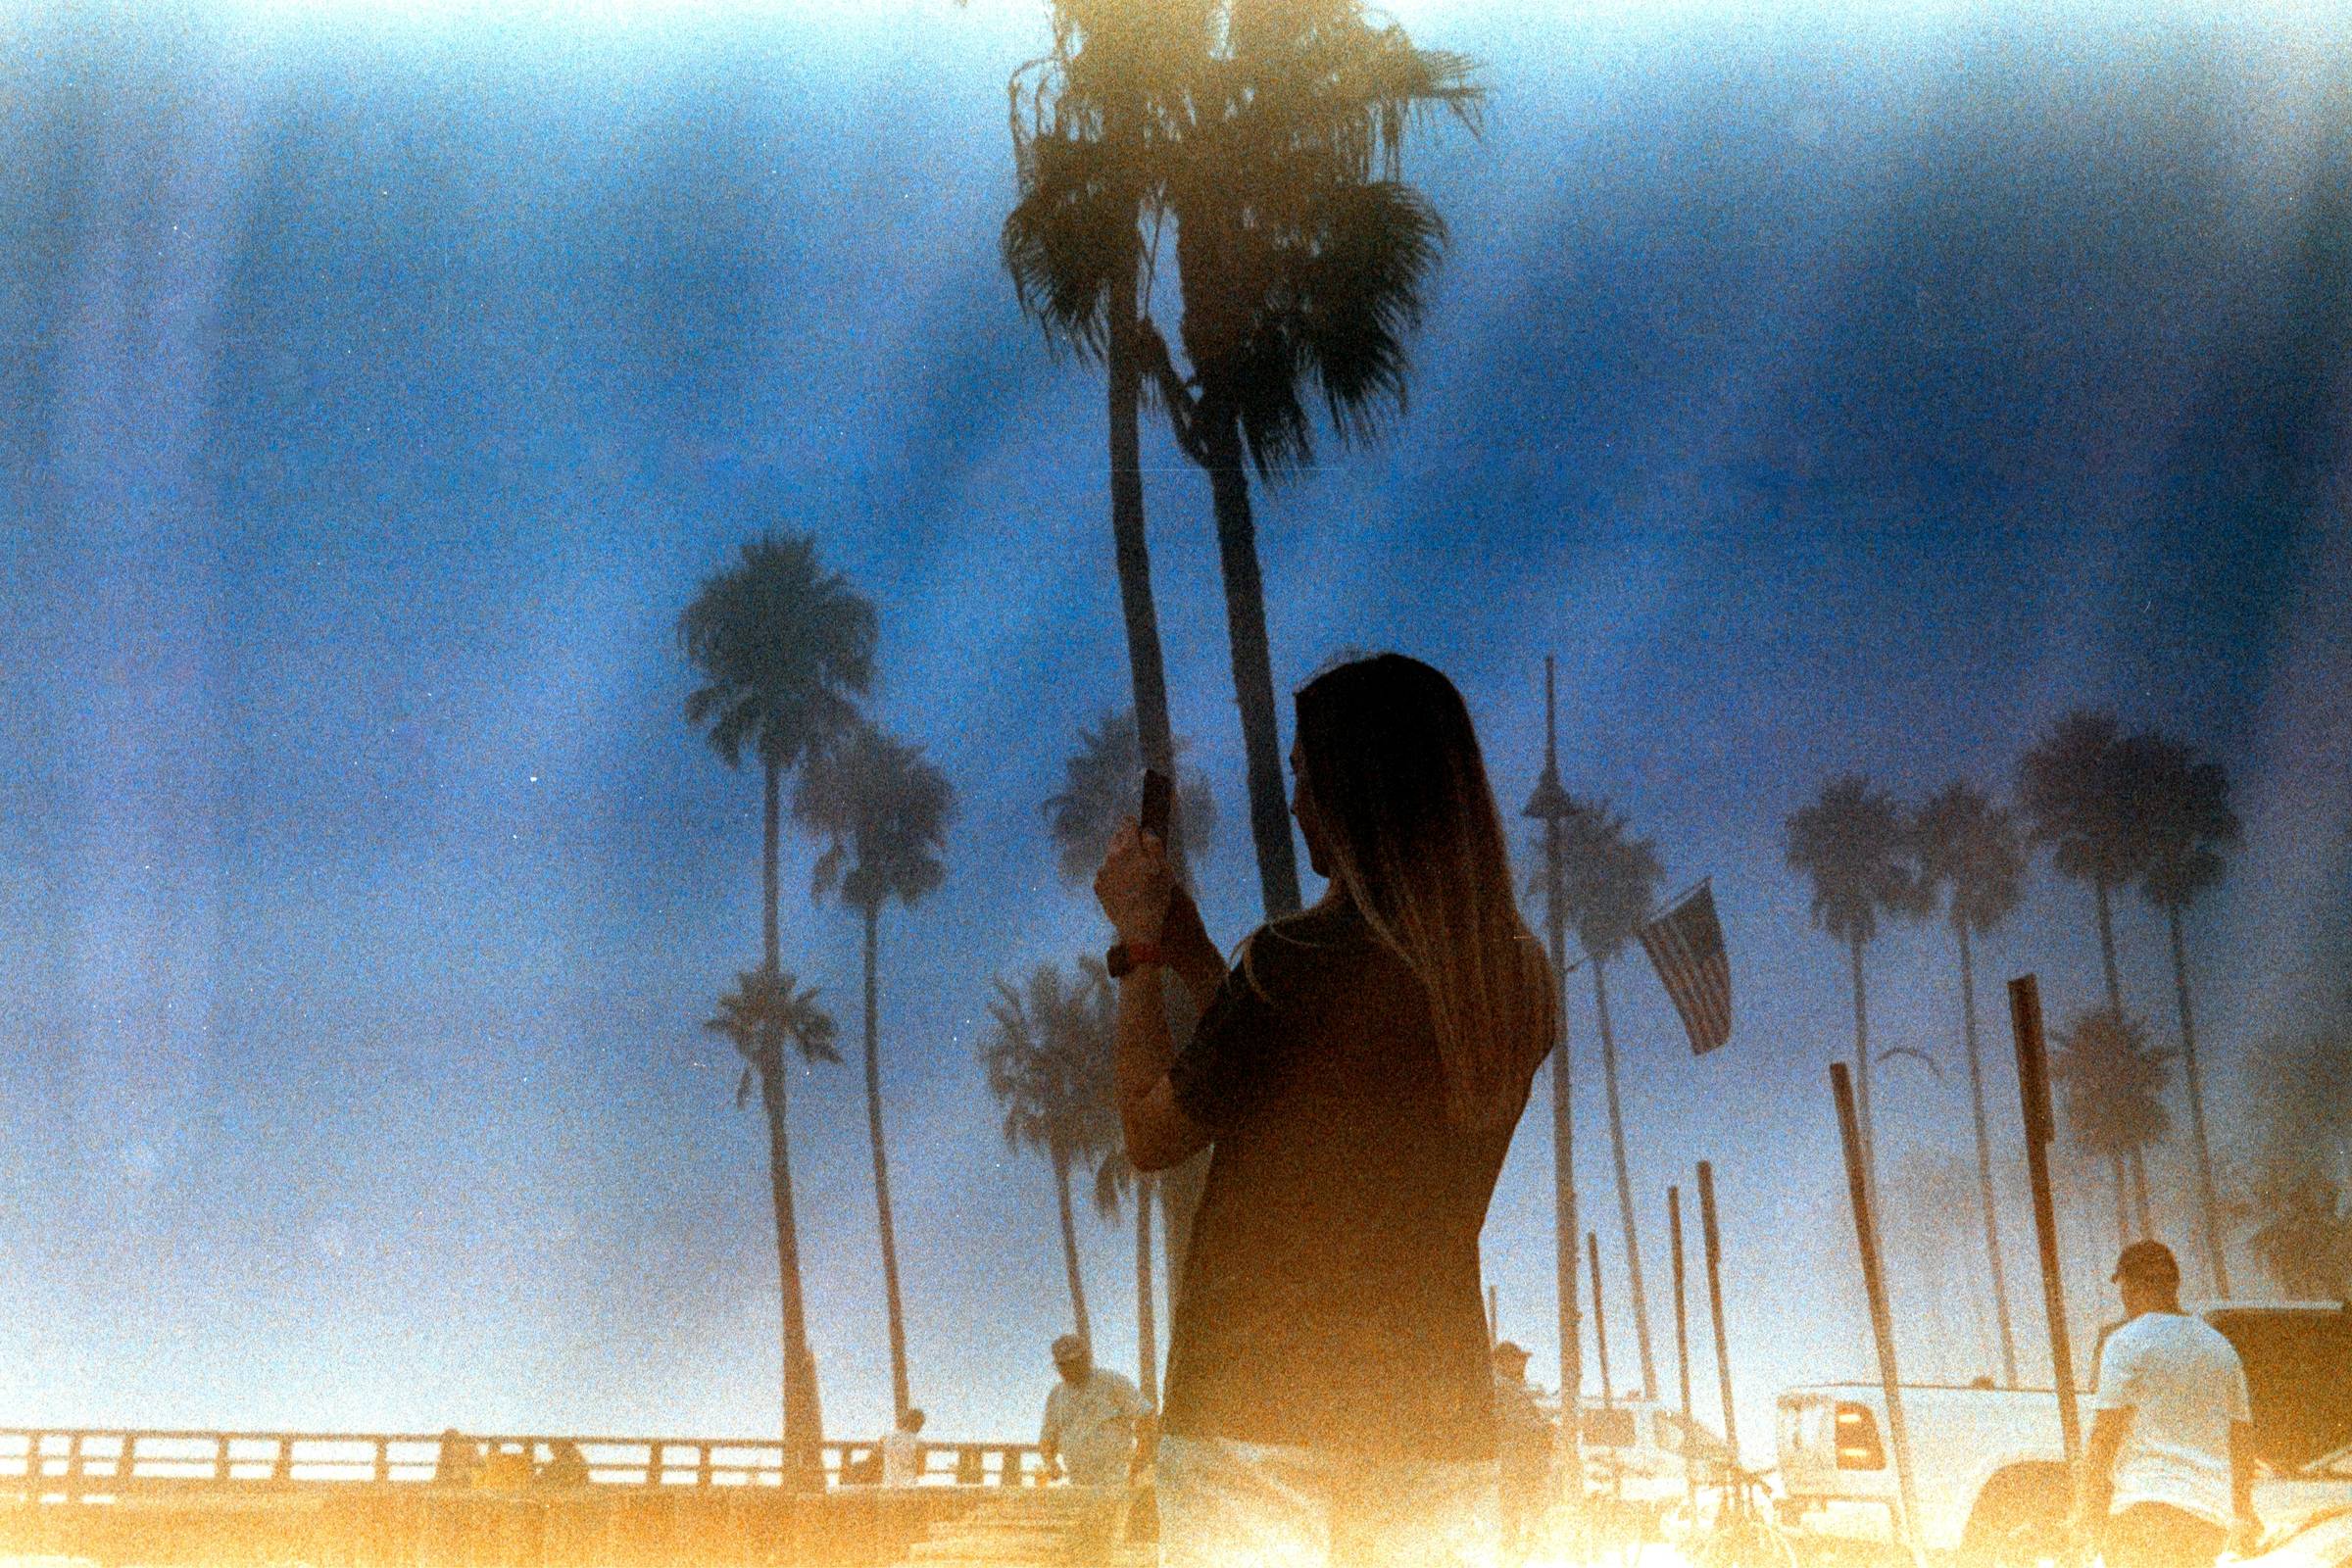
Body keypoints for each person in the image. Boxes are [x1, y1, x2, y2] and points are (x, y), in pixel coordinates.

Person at [1094, 653, 1556, 1568]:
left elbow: (1150, 1134)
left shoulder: (1296, 962)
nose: (1297, 802)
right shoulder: (1513, 976)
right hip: (1432, 1420)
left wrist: (1141, 952)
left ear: (1357, 794)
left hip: (1253, 1408)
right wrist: (1200, 967)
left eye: (1306, 777)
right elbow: (1327, 1090)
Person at [2070, 1240, 2258, 1568]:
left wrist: (2084, 1515)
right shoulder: (2220, 1348)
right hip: (2206, 1519)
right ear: (2174, 1284)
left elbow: (2104, 1438)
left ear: (2132, 1285)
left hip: (2144, 1511)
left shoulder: (2127, 1342)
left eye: (2125, 1288)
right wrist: (2242, 1511)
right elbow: (2241, 1440)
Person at [1039, 1334, 1148, 1487]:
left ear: (1086, 1358)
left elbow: (1146, 1416)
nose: (1069, 1369)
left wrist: (1141, 1458)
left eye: (1074, 1362)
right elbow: (1047, 1439)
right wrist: (1050, 1462)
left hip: (1118, 1481)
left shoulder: (1112, 1382)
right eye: (1063, 1365)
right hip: (1078, 1484)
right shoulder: (1056, 1395)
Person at [1492, 1342, 1554, 1564]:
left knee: (1523, 1518)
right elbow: (1517, 1423)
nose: (1523, 1364)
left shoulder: (1511, 1386)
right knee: (1516, 1519)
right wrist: (1546, 1428)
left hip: (1523, 1465)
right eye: (1518, 1359)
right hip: (1517, 1464)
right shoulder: (1503, 1387)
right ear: (1503, 1362)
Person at [881, 1408, 927, 1488]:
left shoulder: (886, 1437)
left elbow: (875, 1461)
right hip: (909, 1488)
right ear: (919, 1424)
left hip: (888, 1487)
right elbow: (920, 1472)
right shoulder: (920, 1443)